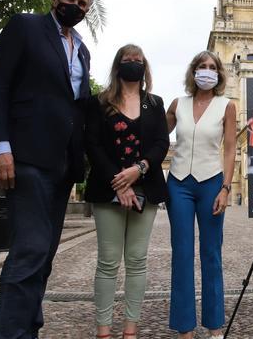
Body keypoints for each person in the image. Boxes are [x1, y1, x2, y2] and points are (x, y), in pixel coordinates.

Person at [0, 0, 93, 339]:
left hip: (62, 165)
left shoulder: (82, 49)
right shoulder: (25, 27)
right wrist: (0, 147)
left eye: (82, 4)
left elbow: (77, 106)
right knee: (29, 249)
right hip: (26, 156)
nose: (75, 7)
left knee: (44, 255)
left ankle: (28, 327)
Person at [84, 45, 170, 339]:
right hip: (108, 188)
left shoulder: (155, 103)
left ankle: (130, 329)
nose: (133, 64)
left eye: (138, 60)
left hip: (146, 187)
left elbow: (161, 143)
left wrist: (139, 170)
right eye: (127, 60)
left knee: (136, 260)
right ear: (118, 65)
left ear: (144, 66)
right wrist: (119, 182)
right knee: (108, 260)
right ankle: (103, 330)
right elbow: (92, 144)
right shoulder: (100, 102)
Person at [165, 51, 237, 339]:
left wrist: (226, 187)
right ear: (193, 71)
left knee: (211, 254)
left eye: (212, 67)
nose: (206, 71)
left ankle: (215, 325)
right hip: (178, 182)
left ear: (219, 74)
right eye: (201, 66)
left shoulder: (226, 106)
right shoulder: (177, 104)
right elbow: (156, 137)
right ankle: (185, 328)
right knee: (181, 254)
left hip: (211, 183)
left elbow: (230, 148)